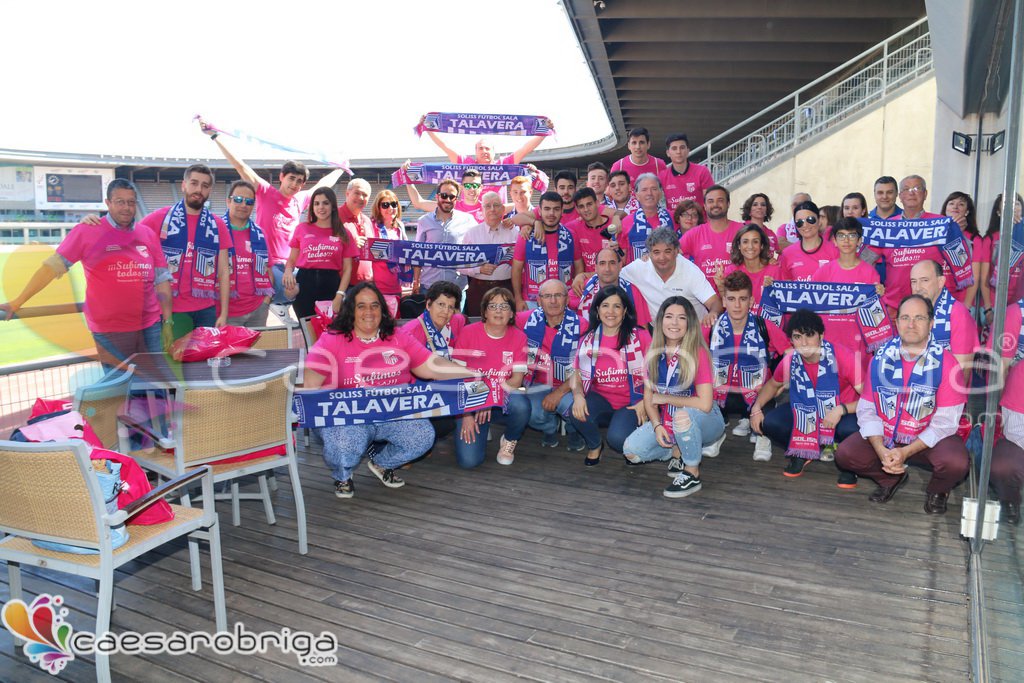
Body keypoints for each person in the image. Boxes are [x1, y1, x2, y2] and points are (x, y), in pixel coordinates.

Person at [303, 282, 475, 499]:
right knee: (345, 444)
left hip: (391, 413)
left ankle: (382, 464)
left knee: (422, 436)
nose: (369, 312)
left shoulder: (397, 336)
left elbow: (430, 366)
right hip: (348, 418)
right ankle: (342, 475)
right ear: (350, 310)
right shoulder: (332, 340)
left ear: (382, 310)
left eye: (374, 305)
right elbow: (310, 387)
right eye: (361, 306)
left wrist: (471, 373)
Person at [1, 179, 172, 370]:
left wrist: (167, 320)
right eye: (120, 202)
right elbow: (51, 268)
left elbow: (162, 279)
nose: (126, 208)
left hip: (149, 327)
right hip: (110, 331)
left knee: (155, 382)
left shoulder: (147, 234)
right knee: (118, 385)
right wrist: (18, 301)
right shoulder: (87, 231)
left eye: (131, 202)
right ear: (108, 203)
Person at [835, 294, 969, 514]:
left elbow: (946, 422)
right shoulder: (880, 358)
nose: (911, 324)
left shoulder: (947, 363)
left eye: (919, 318)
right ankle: (890, 479)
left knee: (956, 462)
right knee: (845, 454)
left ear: (931, 323)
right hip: (888, 434)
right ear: (896, 323)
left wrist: (906, 451)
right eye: (905, 318)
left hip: (926, 438)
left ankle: (938, 491)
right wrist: (880, 449)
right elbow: (867, 408)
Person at [200, 120, 345, 319]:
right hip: (268, 263)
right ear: (281, 177)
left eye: (299, 181)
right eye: (291, 178)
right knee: (291, 289)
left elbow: (324, 184)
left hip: (291, 264)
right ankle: (278, 301)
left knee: (309, 284)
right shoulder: (265, 192)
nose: (294, 184)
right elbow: (241, 166)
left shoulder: (300, 200)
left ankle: (283, 304)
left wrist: (341, 168)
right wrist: (215, 137)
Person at [623, 296, 725, 498]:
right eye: (669, 316)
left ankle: (692, 472)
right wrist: (656, 425)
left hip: (706, 420)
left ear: (690, 323)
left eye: (682, 318)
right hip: (668, 420)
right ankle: (676, 449)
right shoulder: (653, 351)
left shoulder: (697, 352)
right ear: (660, 321)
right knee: (631, 452)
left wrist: (666, 398)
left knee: (682, 415)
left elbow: (705, 404)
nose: (675, 323)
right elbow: (649, 398)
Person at [750, 309, 864, 485]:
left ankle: (848, 463)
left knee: (852, 428)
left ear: (821, 335)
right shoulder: (791, 360)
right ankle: (804, 450)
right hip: (808, 411)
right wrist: (756, 408)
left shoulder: (843, 356)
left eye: (809, 335)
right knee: (771, 422)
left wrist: (841, 409)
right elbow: (772, 384)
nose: (804, 343)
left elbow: (871, 399)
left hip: (841, 413)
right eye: (797, 337)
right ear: (791, 340)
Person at [137, 164, 231, 339]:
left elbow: (224, 272)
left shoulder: (217, 225)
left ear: (209, 190)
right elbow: (128, 235)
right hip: (170, 309)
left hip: (206, 310)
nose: (199, 190)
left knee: (205, 357)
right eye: (194, 183)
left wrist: (224, 313)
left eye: (204, 185)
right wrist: (95, 223)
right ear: (184, 185)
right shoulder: (159, 218)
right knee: (174, 356)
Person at [565, 285, 652, 464]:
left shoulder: (641, 337)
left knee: (618, 440)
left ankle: (633, 434)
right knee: (576, 410)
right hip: (602, 400)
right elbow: (576, 374)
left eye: (617, 306)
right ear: (597, 310)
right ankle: (595, 445)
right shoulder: (586, 340)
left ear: (625, 311)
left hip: (632, 402)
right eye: (605, 306)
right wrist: (578, 395)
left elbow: (657, 373)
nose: (610, 311)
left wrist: (646, 401)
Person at [707, 271, 789, 460]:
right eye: (731, 299)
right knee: (701, 404)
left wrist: (781, 383)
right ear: (724, 301)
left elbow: (791, 355)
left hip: (757, 393)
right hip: (722, 394)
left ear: (751, 301)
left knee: (769, 412)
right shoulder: (711, 327)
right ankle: (715, 434)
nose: (737, 305)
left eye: (742, 299)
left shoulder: (764, 326)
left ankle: (763, 435)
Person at [452, 287, 530, 467]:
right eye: (493, 306)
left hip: (502, 397)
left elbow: (517, 380)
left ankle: (509, 440)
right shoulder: (468, 332)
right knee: (469, 462)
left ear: (512, 313)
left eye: (504, 306)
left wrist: (487, 398)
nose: (498, 311)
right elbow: (456, 377)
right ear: (484, 312)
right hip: (470, 399)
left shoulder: (520, 337)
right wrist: (467, 413)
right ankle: (482, 427)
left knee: (521, 405)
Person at [869, 175, 961, 313]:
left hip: (933, 308)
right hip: (895, 307)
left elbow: (961, 264)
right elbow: (864, 261)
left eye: (917, 188)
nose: (911, 193)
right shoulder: (886, 227)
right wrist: (874, 286)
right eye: (906, 189)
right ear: (900, 196)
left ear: (925, 194)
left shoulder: (942, 224)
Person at [515, 279, 582, 449]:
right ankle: (549, 428)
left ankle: (574, 430)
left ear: (567, 299)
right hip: (536, 383)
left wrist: (558, 393)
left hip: (569, 384)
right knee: (529, 412)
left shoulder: (582, 325)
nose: (553, 301)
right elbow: (498, 322)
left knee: (577, 409)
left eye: (558, 295)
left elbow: (584, 369)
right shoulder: (524, 320)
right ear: (539, 300)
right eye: (547, 296)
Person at [811, 217, 885, 364]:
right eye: (841, 235)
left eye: (852, 235)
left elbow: (876, 315)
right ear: (834, 241)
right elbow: (810, 306)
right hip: (828, 344)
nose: (846, 240)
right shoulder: (823, 272)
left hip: (858, 345)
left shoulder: (870, 273)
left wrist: (880, 295)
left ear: (859, 241)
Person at [400, 281, 466, 443]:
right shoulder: (410, 332)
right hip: (414, 395)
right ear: (428, 304)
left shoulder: (456, 322)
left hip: (443, 390)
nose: (445, 312)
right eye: (441, 305)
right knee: (444, 424)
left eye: (450, 307)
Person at [621, 227, 723, 327]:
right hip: (660, 332)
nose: (662, 257)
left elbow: (715, 302)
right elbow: (615, 275)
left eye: (667, 251)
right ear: (649, 254)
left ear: (676, 251)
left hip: (694, 330)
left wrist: (712, 314)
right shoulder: (640, 267)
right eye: (656, 252)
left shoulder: (690, 271)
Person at [282, 188, 355, 320]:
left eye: (325, 203)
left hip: (331, 284)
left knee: (331, 329)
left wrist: (339, 294)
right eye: (316, 203)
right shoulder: (302, 228)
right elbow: (292, 259)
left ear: (333, 206)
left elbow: (348, 268)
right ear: (312, 207)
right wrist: (288, 271)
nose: (321, 207)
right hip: (304, 283)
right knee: (307, 330)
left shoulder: (344, 233)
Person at [511, 191, 583, 311]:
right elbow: (516, 269)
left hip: (562, 300)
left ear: (562, 211)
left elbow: (579, 266)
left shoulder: (571, 235)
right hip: (532, 301)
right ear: (539, 211)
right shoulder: (526, 235)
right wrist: (518, 299)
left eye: (556, 209)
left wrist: (573, 294)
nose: (551, 213)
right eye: (547, 209)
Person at [411, 179, 476, 308]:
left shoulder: (468, 220)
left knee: (456, 321)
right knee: (430, 321)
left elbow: (481, 242)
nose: (448, 199)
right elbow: (418, 255)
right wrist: (416, 281)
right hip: (429, 286)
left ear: (456, 199)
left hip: (457, 287)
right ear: (437, 196)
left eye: (452, 196)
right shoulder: (424, 221)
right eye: (444, 195)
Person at [909, 260, 978, 376]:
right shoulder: (909, 310)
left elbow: (961, 370)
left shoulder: (958, 313)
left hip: (944, 383)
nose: (917, 287)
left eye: (925, 280)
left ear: (940, 282)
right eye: (913, 281)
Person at [989, 297, 1024, 525]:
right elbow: (999, 368)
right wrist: (997, 408)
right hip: (1017, 401)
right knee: (1004, 465)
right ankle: (1010, 498)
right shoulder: (1015, 313)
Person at [221, 180, 274, 327]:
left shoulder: (260, 233)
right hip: (226, 312)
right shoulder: (214, 231)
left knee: (257, 344)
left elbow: (268, 270)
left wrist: (266, 301)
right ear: (228, 202)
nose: (243, 205)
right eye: (238, 199)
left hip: (258, 310)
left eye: (249, 201)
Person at [458, 191, 519, 314]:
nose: (492, 209)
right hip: (478, 289)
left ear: (503, 209)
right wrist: (478, 269)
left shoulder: (514, 233)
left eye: (496, 205)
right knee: (477, 322)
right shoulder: (471, 233)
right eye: (487, 206)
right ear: (482, 210)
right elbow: (460, 265)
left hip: (507, 287)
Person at [680, 185, 745, 289]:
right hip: (705, 296)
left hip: (736, 294)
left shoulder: (742, 231)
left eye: (720, 200)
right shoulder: (694, 234)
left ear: (728, 204)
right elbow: (672, 253)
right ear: (705, 206)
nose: (715, 204)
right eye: (710, 201)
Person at [573, 247, 652, 332]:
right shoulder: (583, 287)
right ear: (596, 267)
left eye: (612, 263)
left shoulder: (632, 291)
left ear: (620, 266)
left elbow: (643, 331)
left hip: (625, 339)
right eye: (602, 263)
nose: (607, 269)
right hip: (588, 339)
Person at [715, 224, 780, 314]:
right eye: (745, 242)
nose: (750, 246)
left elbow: (781, 307)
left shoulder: (774, 270)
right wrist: (721, 287)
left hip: (767, 322)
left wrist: (773, 291)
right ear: (739, 245)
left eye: (755, 242)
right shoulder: (731, 271)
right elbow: (728, 306)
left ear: (761, 245)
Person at [982, 192, 1024, 322]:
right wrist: (988, 309)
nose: (1013, 207)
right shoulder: (990, 239)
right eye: (1007, 204)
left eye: (1017, 204)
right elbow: (984, 277)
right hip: (995, 302)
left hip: (1020, 302)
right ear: (999, 212)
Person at [368, 189, 409, 316]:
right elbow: (367, 252)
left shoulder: (400, 227)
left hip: (395, 285)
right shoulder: (371, 225)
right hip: (376, 287)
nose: (390, 208)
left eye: (394, 204)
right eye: (385, 205)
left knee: (393, 323)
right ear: (378, 207)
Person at [778, 200, 839, 282]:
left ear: (819, 220)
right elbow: (785, 286)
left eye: (810, 219)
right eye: (799, 222)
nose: (805, 225)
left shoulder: (835, 251)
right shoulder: (787, 254)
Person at [618, 173, 674, 264]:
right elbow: (622, 260)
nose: (649, 193)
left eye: (654, 189)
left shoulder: (672, 217)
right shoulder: (627, 222)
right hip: (637, 272)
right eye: (644, 190)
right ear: (637, 195)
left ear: (660, 193)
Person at [940, 191, 981, 308]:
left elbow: (975, 276)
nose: (955, 207)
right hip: (937, 295)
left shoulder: (975, 239)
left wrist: (966, 305)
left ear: (967, 212)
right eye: (951, 203)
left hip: (962, 299)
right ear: (945, 209)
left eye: (961, 204)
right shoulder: (935, 233)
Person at [659, 133, 715, 213]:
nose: (678, 152)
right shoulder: (662, 176)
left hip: (699, 220)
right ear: (668, 153)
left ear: (688, 150)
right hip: (674, 220)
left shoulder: (702, 171)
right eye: (674, 148)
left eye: (682, 147)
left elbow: (711, 200)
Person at [405, 168, 485, 223]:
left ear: (481, 187)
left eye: (475, 186)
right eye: (467, 185)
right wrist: (407, 177)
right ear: (462, 187)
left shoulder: (488, 208)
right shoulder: (452, 206)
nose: (471, 189)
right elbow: (418, 203)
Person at [339, 179, 376, 287]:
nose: (361, 198)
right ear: (347, 193)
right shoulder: (334, 217)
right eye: (357, 193)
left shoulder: (367, 221)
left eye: (365, 195)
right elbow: (324, 245)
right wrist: (350, 244)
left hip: (367, 283)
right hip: (341, 283)